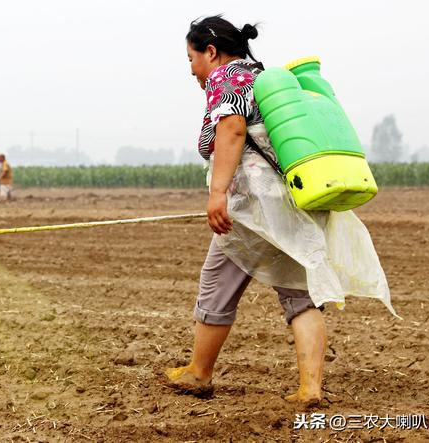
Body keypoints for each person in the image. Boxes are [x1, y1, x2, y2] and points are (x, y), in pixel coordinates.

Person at [165, 16, 395, 402]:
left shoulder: (228, 78)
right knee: (299, 295)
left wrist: (217, 194)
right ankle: (310, 387)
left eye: (191, 59)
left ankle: (198, 373)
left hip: (254, 208)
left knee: (216, 285)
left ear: (211, 51)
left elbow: (232, 130)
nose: (191, 70)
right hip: (291, 205)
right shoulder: (263, 78)